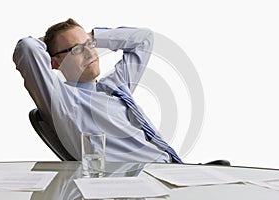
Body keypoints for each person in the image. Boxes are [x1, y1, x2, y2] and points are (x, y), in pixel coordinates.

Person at [13, 18, 182, 163]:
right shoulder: (61, 100)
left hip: (172, 169)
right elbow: (27, 48)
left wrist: (93, 36)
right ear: (55, 63)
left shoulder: (116, 85)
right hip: (139, 179)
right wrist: (50, 41)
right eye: (77, 49)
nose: (90, 53)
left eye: (89, 45)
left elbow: (144, 39)